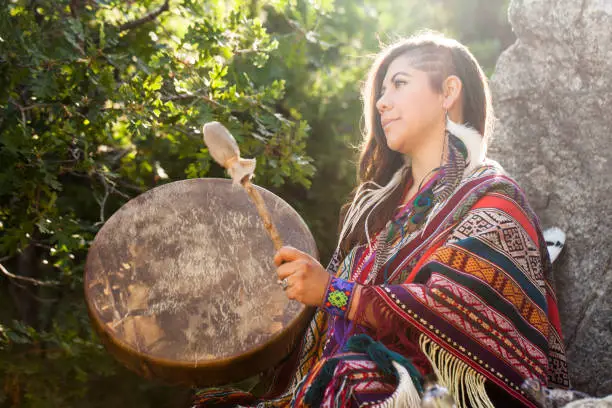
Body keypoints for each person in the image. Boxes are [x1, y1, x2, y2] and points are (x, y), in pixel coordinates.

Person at [193, 31, 569, 408]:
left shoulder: (493, 198)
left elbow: (459, 310)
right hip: (340, 374)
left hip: (430, 392)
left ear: (448, 92)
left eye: (399, 84)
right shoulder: (374, 208)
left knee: (352, 381)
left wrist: (333, 291)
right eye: (381, 92)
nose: (382, 103)